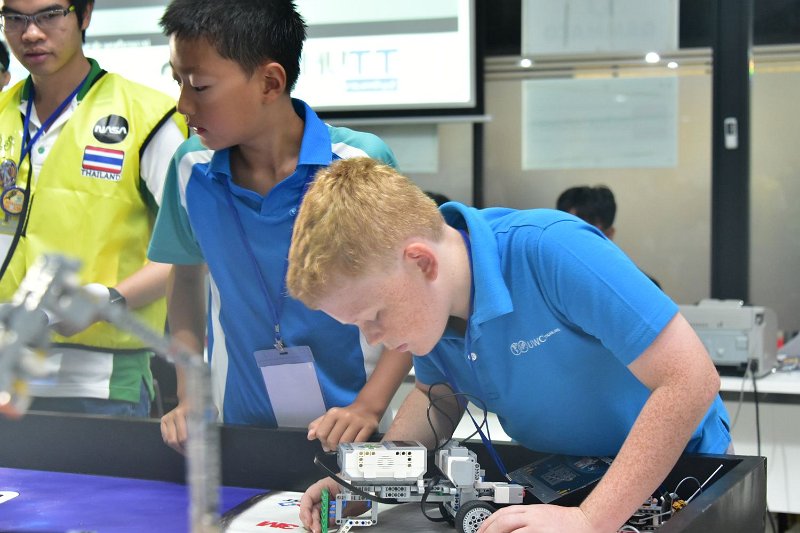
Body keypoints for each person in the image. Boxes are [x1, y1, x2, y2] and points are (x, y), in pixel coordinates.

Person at [286, 158, 731, 533]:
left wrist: (590, 520)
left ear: (421, 262)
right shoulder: (432, 311)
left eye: (375, 315)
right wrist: (360, 483)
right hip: (569, 478)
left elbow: (690, 379)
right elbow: (436, 397)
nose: (372, 337)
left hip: (677, 474)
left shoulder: (552, 249)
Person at [149, 0, 413, 453]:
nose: (183, 105)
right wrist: (190, 395)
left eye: (200, 86)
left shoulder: (357, 164)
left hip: (353, 432)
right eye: (177, 82)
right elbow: (186, 278)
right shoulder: (190, 167)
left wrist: (369, 405)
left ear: (270, 82)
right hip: (238, 428)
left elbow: (413, 294)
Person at [0, 0, 187, 416]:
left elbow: (194, 250)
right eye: (14, 18)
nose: (30, 33)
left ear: (84, 14)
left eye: (49, 15)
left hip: (101, 382)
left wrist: (107, 299)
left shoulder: (147, 116)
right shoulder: (2, 113)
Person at [557, 184, 662, 289]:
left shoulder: (644, 287)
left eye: (585, 234)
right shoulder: (550, 278)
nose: (573, 242)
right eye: (566, 231)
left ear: (609, 235)